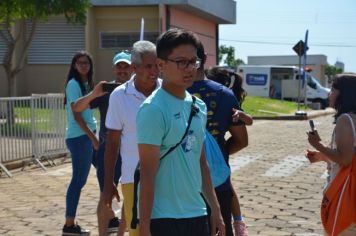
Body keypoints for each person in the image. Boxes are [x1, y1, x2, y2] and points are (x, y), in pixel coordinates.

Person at [136, 28, 225, 236]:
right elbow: (147, 173)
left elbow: (201, 163)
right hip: (164, 218)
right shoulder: (153, 109)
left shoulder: (198, 106)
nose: (190, 68)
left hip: (197, 213)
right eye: (181, 62)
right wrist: (145, 227)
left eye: (193, 61)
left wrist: (215, 210)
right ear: (161, 65)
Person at [188, 45, 249, 236]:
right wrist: (219, 152)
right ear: (205, 58)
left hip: (181, 184)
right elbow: (242, 140)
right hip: (217, 182)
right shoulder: (224, 95)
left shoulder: (170, 93)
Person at [102, 40, 161, 236]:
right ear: (134, 68)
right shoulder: (119, 96)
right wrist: (108, 182)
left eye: (157, 65)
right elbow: (112, 142)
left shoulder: (167, 92)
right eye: (148, 66)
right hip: (131, 179)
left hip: (167, 177)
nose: (154, 71)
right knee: (137, 232)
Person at [72, 51, 133, 235]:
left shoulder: (137, 89)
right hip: (108, 150)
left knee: (130, 195)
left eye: (126, 66)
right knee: (105, 196)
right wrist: (94, 93)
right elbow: (76, 108)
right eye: (119, 66)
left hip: (131, 150)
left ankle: (121, 232)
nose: (122, 70)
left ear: (132, 68)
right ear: (114, 68)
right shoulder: (107, 90)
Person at [205, 66, 252, 236]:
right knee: (228, 189)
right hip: (219, 164)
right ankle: (238, 221)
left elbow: (248, 123)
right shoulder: (227, 98)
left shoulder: (225, 100)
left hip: (213, 165)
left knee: (227, 191)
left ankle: (239, 222)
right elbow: (243, 139)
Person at [306, 73, 356, 234]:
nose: (330, 93)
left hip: (345, 192)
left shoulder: (346, 120)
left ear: (344, 94)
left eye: (334, 89)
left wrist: (318, 145)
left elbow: (345, 159)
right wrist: (321, 156)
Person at [62, 51, 97, 236]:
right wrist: (93, 137)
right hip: (80, 138)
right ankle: (69, 225)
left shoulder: (85, 84)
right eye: (80, 62)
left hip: (86, 136)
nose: (84, 65)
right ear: (74, 65)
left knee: (107, 173)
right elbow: (76, 114)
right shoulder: (73, 84)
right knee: (78, 181)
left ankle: (110, 215)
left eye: (87, 63)